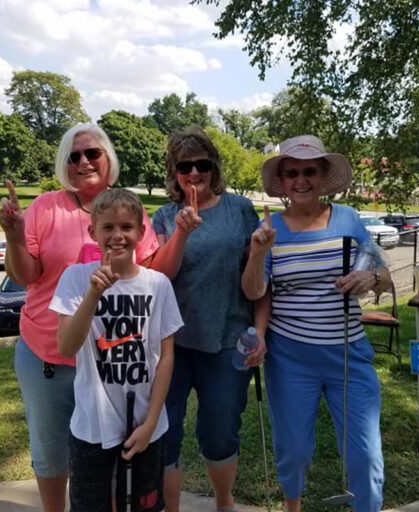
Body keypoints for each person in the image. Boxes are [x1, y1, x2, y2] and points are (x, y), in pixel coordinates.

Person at [0, 124, 160, 512]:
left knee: (110, 455)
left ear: (109, 159)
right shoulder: (46, 207)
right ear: (65, 164)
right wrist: (16, 238)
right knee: (52, 454)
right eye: (75, 156)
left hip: (112, 362)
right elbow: (26, 275)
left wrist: (183, 236)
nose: (84, 161)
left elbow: (153, 271)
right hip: (51, 357)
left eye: (92, 154)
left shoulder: (128, 207)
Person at [241, 135, 392, 512]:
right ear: (283, 181)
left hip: (349, 355)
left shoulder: (348, 219)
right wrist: (257, 255)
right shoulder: (270, 229)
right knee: (293, 450)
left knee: (365, 454)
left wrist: (370, 280)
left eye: (310, 171)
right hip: (290, 358)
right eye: (291, 173)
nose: (301, 180)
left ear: (324, 175)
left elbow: (383, 272)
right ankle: (292, 506)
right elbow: (257, 292)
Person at [151, 127, 263, 512]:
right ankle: (171, 509)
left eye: (201, 164)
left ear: (213, 167)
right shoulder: (164, 216)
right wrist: (181, 232)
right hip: (171, 347)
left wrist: (260, 333)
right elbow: (159, 276)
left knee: (219, 433)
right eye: (185, 166)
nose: (194, 173)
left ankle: (224, 502)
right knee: (165, 433)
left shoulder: (240, 210)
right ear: (174, 171)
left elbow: (260, 283)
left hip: (227, 342)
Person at [50, 189, 184, 512]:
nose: (117, 236)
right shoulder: (77, 278)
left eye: (126, 227)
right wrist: (94, 294)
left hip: (145, 425)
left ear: (141, 232)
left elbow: (166, 358)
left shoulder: (158, 285)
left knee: (145, 505)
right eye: (108, 227)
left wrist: (151, 422)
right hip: (91, 425)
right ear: (92, 232)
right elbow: (67, 346)